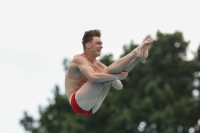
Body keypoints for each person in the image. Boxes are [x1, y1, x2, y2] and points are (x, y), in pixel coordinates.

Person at [65, 29, 153, 116]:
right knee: (106, 74)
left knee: (108, 74)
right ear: (88, 45)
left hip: (92, 108)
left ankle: (138, 57)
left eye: (101, 44)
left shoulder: (98, 64)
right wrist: (116, 76)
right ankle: (134, 53)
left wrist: (115, 77)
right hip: (78, 103)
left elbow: (120, 86)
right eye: (98, 43)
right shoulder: (78, 59)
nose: (101, 46)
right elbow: (93, 77)